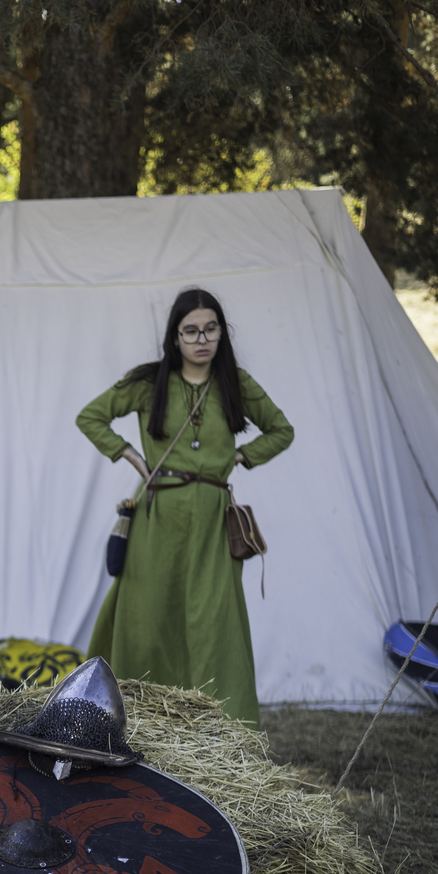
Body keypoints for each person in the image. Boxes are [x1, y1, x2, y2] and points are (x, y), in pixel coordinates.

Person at [75, 287, 293, 727]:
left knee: (214, 621)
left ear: (221, 333)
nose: (201, 339)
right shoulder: (148, 382)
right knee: (147, 617)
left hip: (214, 522)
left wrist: (239, 456)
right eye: (190, 330)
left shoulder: (236, 382)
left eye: (210, 329)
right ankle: (136, 720)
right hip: (159, 518)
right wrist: (130, 455)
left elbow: (281, 430)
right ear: (175, 337)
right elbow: (91, 416)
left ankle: (220, 730)